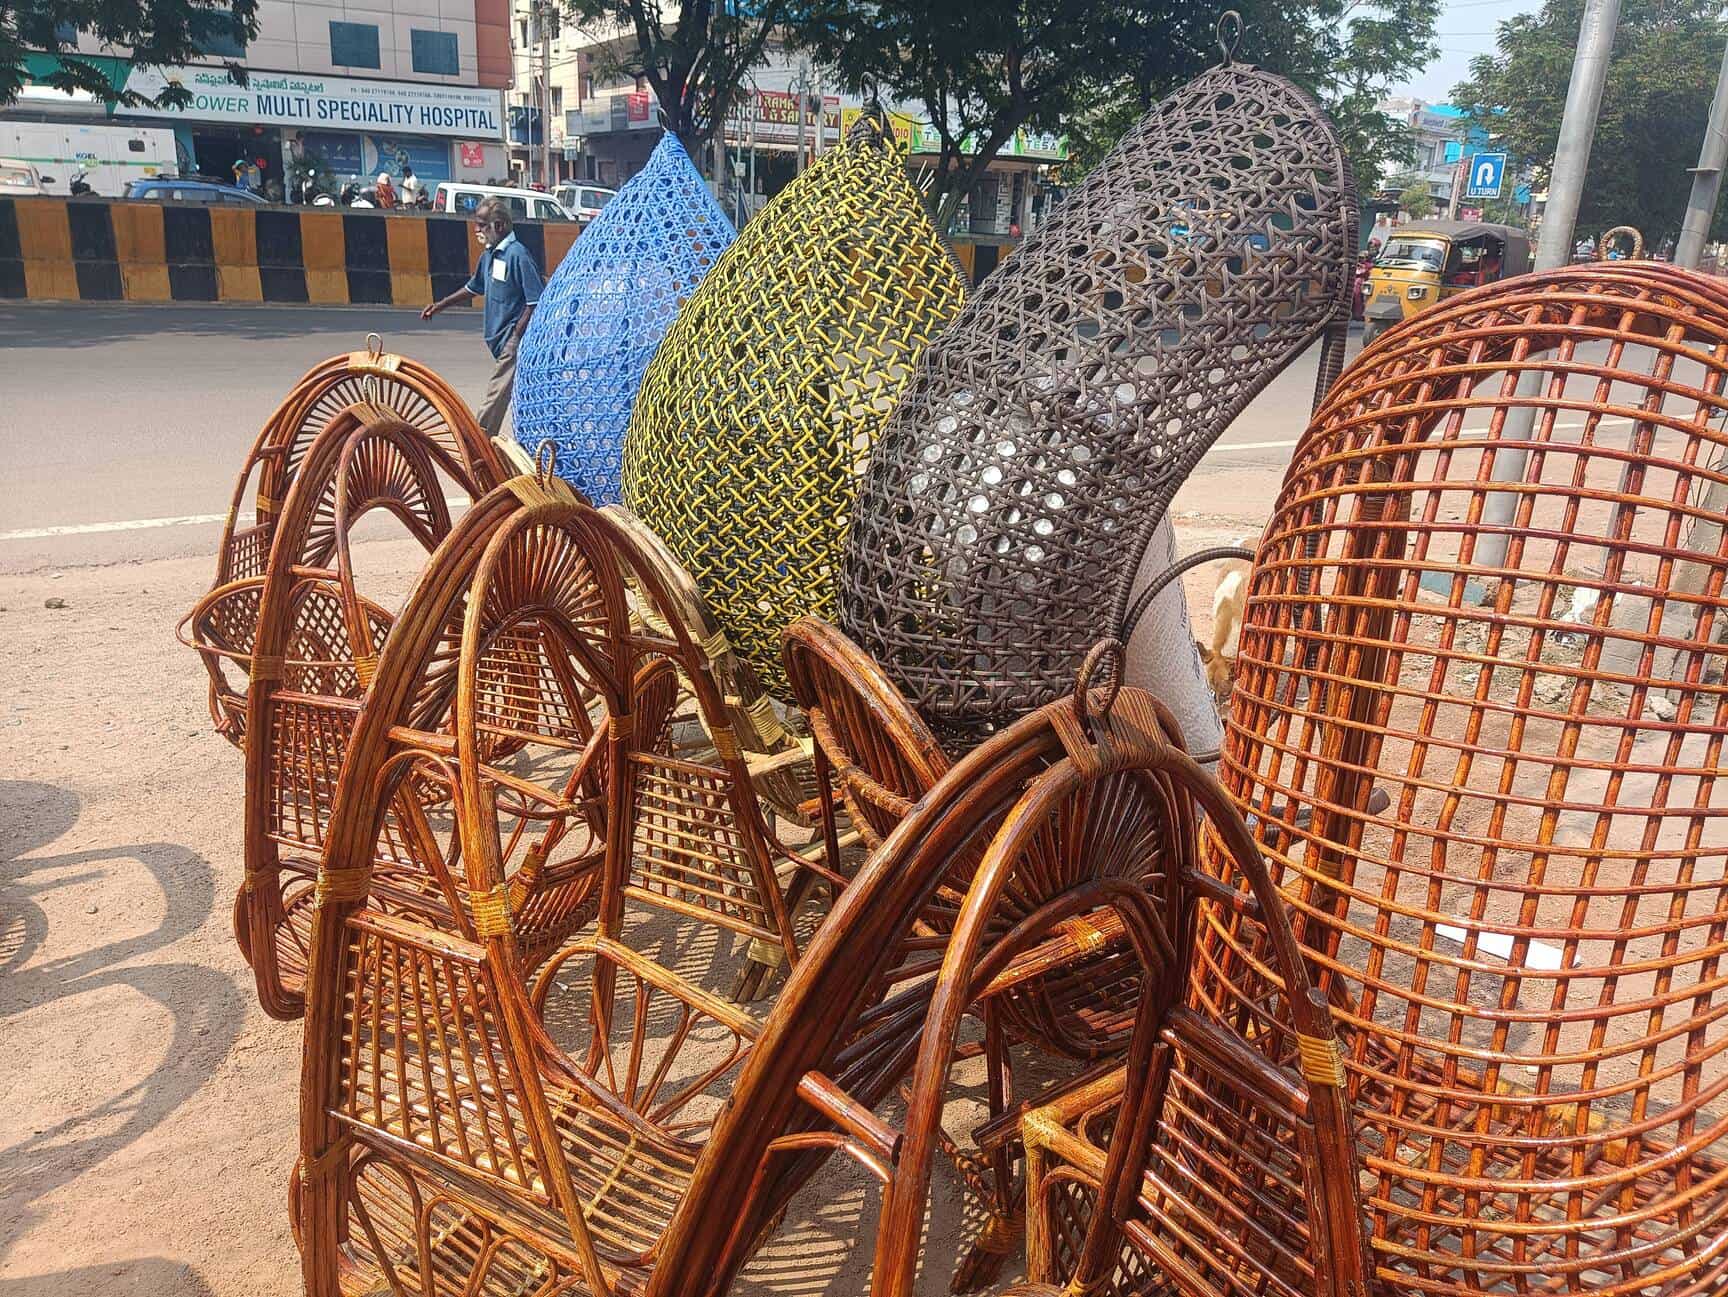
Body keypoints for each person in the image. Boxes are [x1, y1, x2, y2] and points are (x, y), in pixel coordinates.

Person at [420, 197, 544, 437]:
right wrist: (440, 305)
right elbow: (473, 287)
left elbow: (534, 301)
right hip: (497, 340)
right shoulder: (490, 256)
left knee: (495, 395)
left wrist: (516, 336)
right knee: (519, 392)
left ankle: (477, 443)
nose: (477, 230)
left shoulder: (518, 255)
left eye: (481, 224)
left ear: (499, 226)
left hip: (513, 341)